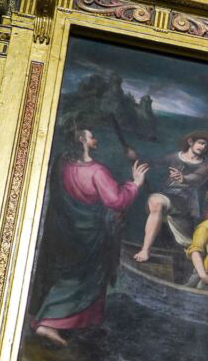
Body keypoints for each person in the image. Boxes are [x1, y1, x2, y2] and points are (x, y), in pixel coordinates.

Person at [31, 128, 149, 346]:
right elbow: (116, 201)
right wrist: (136, 183)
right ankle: (47, 323)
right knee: (83, 279)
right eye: (92, 136)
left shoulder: (63, 165)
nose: (96, 138)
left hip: (71, 230)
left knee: (81, 277)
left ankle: (80, 323)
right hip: (92, 234)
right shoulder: (97, 171)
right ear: (82, 140)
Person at [134, 131, 208, 262]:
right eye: (201, 143)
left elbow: (196, 178)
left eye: (206, 146)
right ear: (190, 142)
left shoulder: (207, 166)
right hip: (168, 196)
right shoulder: (174, 157)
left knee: (156, 201)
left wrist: (184, 178)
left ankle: (146, 250)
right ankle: (145, 250)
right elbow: (154, 163)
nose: (203, 147)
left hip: (185, 202)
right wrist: (137, 160)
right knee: (156, 202)